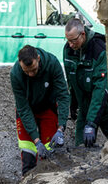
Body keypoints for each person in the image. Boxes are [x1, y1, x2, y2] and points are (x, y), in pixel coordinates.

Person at [10, 44, 70, 175]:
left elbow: (63, 96)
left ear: (38, 58)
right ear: (20, 64)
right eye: (26, 71)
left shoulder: (52, 63)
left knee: (50, 150)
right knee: (28, 150)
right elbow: (23, 108)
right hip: (27, 108)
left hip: (47, 106)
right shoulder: (15, 74)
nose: (31, 74)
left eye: (33, 69)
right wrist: (37, 141)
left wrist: (61, 128)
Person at [63, 18, 108, 147]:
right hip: (84, 108)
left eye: (73, 40)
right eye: (68, 40)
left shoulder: (99, 49)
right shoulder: (68, 50)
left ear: (82, 34)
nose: (71, 44)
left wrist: (92, 123)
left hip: (105, 107)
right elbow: (71, 82)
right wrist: (73, 105)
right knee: (81, 148)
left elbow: (100, 89)